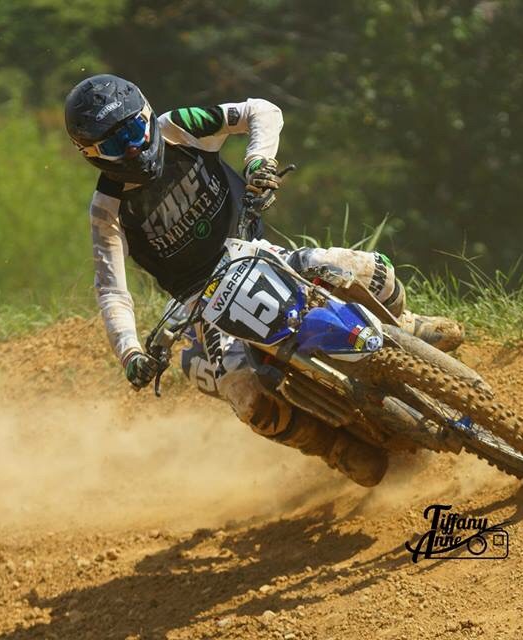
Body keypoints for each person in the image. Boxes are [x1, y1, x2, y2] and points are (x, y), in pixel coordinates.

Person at [65, 74, 463, 486]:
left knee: (371, 271)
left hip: (257, 252)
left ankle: (404, 325)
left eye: (133, 130)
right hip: (203, 303)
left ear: (147, 114)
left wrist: (259, 161)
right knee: (246, 396)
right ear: (91, 154)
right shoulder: (107, 210)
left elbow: (261, 110)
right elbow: (112, 290)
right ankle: (329, 446)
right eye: (114, 144)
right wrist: (130, 352)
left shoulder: (179, 127)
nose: (132, 147)